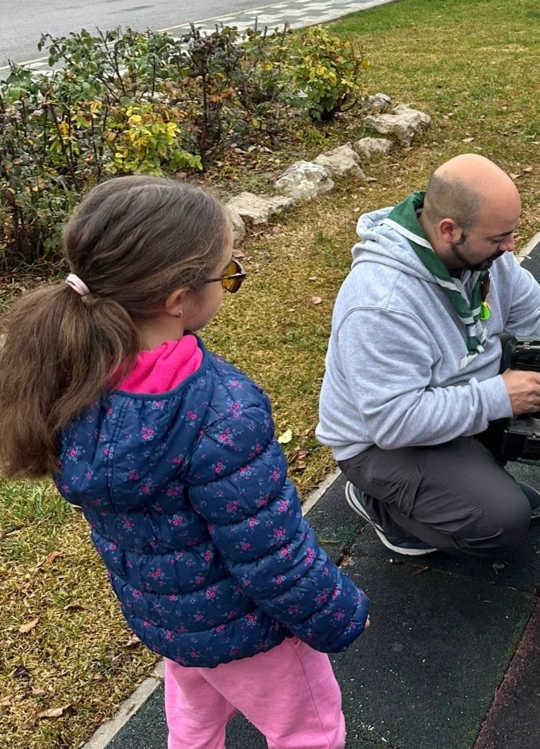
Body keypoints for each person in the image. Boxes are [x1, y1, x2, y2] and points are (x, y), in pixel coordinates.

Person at [0, 176, 369, 749]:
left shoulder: (68, 376)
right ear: (178, 300)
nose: (232, 278)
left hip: (171, 621)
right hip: (251, 630)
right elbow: (269, 551)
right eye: (229, 273)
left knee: (193, 723)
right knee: (310, 731)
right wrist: (339, 613)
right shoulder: (222, 411)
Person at [317, 153, 540, 558]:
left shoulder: (481, 257)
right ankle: (384, 506)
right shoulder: (381, 304)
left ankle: (467, 480)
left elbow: (538, 311)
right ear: (449, 230)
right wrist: (498, 396)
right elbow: (394, 421)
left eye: (510, 234)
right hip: (380, 443)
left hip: (448, 392)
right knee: (500, 522)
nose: (510, 246)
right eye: (498, 238)